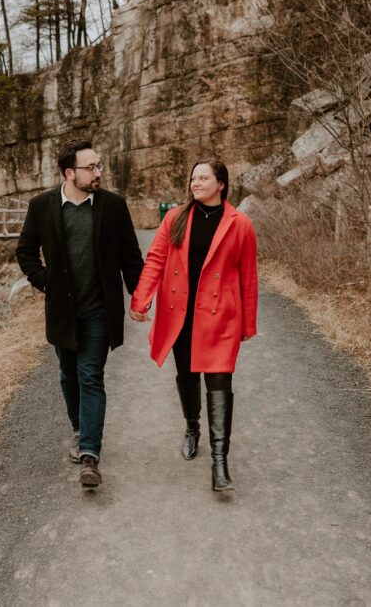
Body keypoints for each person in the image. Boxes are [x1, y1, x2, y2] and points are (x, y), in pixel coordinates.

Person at [16, 138, 144, 489]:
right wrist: (49, 284)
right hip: (62, 311)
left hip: (100, 310)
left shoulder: (113, 206)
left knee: (90, 375)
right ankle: (78, 428)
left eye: (99, 166)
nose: (99, 172)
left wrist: (140, 299)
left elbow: (132, 258)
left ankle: (90, 454)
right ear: (70, 173)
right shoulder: (42, 206)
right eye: (92, 167)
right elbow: (25, 253)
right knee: (67, 374)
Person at [129, 159, 258, 491]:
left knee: (219, 382)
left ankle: (220, 462)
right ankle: (191, 428)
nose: (196, 183)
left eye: (204, 178)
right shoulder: (176, 217)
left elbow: (248, 276)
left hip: (221, 316)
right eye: (193, 178)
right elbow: (156, 258)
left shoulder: (240, 223)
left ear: (221, 184)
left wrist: (248, 322)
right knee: (186, 375)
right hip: (181, 314)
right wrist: (141, 299)